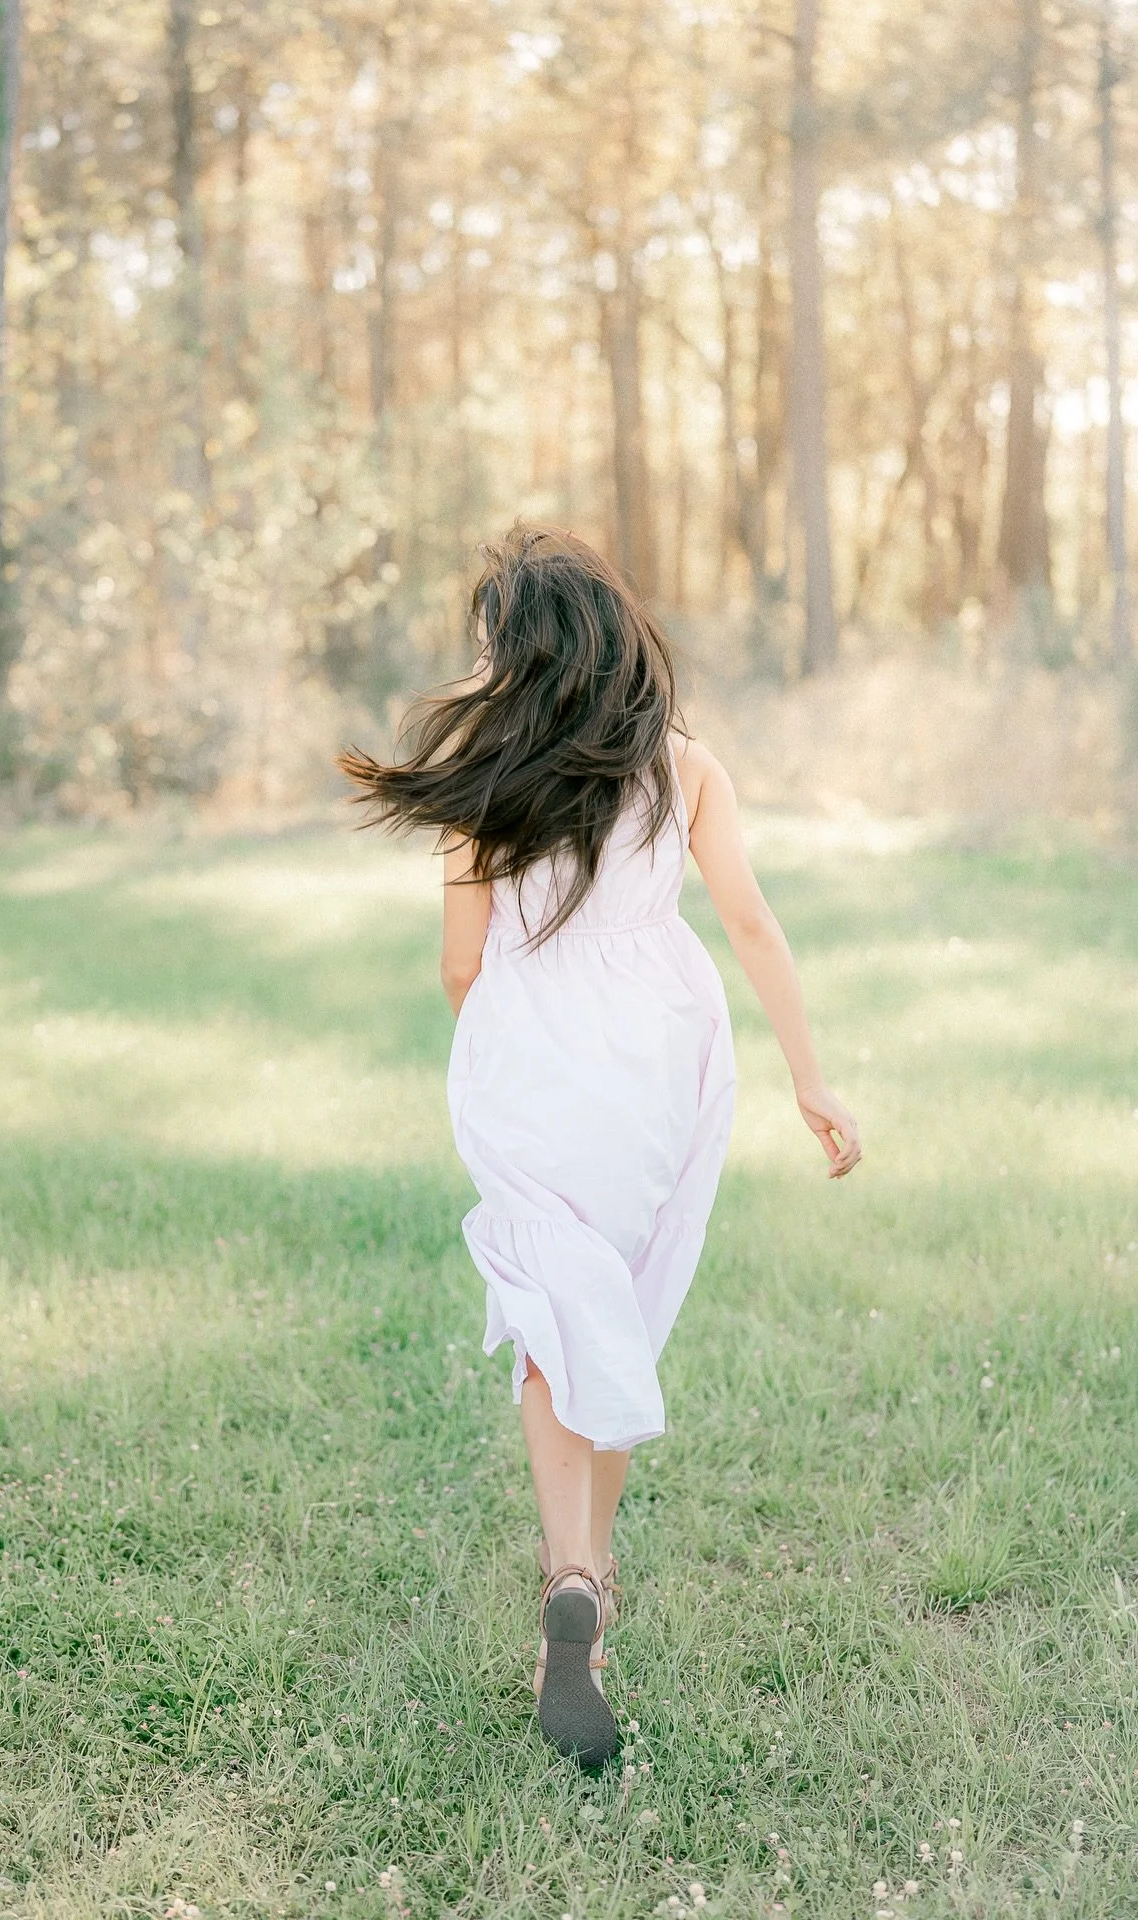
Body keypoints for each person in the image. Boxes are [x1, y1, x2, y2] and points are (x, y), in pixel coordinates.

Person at [339, 526, 861, 1769]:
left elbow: (462, 967)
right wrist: (812, 1080)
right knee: (616, 1309)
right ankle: (595, 1581)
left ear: (517, 656)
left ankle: (568, 1568)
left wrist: (516, 1046)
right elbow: (750, 921)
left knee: (548, 1315)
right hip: (661, 1066)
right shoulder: (688, 770)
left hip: (533, 1065)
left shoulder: (481, 781)